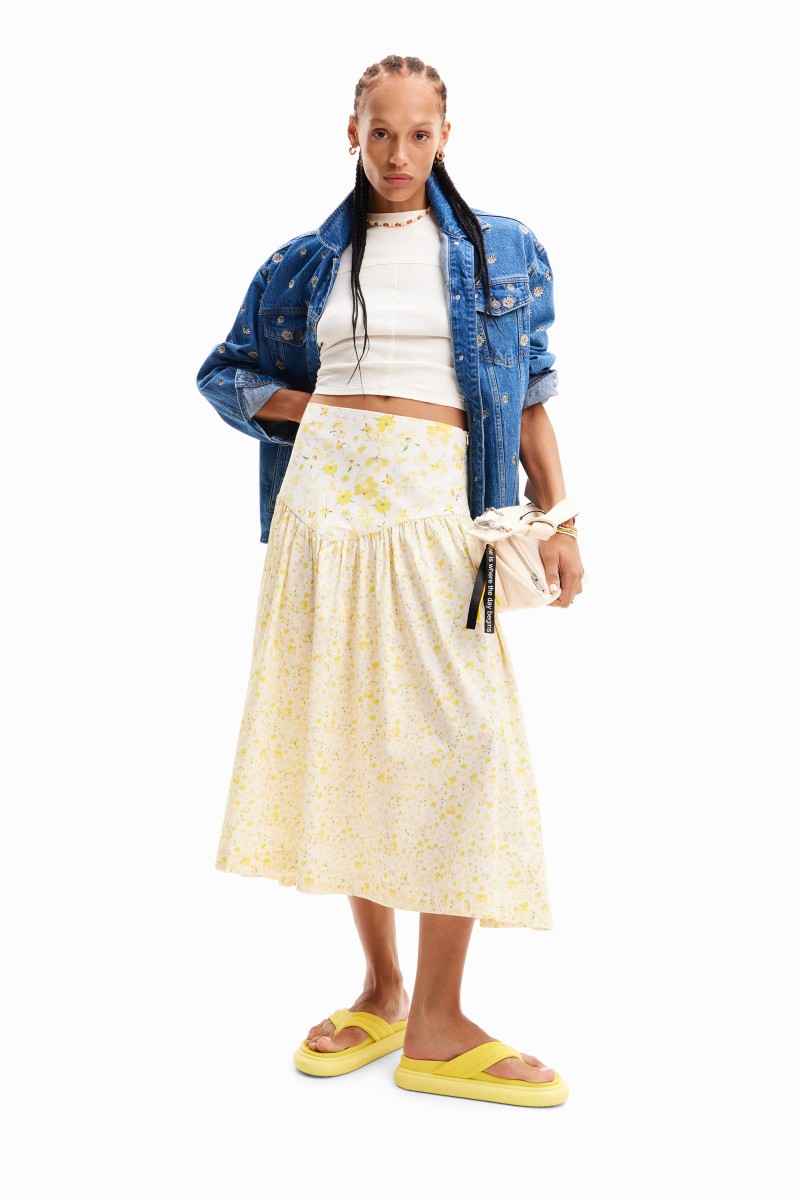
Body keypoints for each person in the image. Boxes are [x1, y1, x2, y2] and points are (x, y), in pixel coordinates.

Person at [196, 54, 584, 1108]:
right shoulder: (302, 262)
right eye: (381, 132)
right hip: (322, 509)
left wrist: (558, 517)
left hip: (435, 508)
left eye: (418, 133)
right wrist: (317, 412)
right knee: (351, 737)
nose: (399, 152)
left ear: (445, 135)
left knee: (466, 738)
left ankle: (441, 1020)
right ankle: (383, 990)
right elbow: (225, 373)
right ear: (352, 132)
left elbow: (530, 392)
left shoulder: (502, 248)